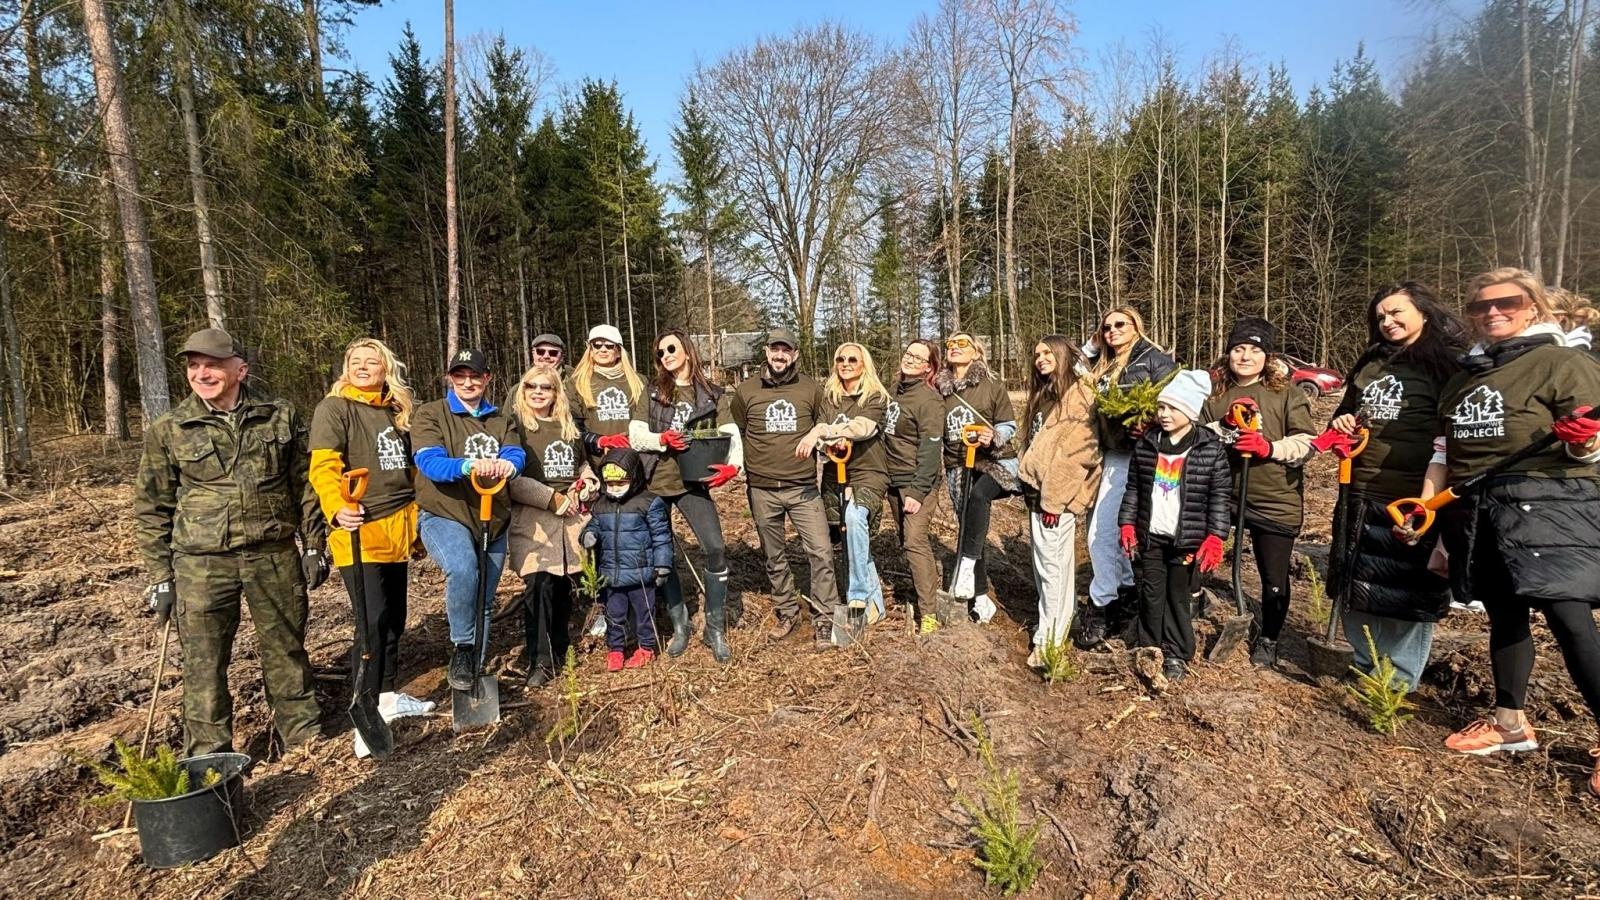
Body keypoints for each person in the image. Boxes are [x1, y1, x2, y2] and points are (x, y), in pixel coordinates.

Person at [1432, 269, 1600, 796]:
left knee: (1568, 616)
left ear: (1534, 306)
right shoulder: (1465, 376)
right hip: (1478, 506)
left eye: (1507, 302)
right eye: (1480, 305)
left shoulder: (1561, 362)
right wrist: (1432, 510)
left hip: (1550, 504)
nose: (1492, 312)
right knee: (1504, 613)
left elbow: (1590, 451)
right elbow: (1446, 452)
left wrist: (1580, 443)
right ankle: (1509, 723)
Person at [134, 328, 328, 757]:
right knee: (204, 663)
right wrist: (160, 577)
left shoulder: (279, 415)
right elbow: (152, 507)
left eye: (213, 365)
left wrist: (314, 544)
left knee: (286, 651)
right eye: (193, 365)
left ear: (240, 370)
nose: (202, 373)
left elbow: (306, 484)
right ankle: (209, 757)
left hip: (272, 554)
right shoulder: (169, 429)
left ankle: (304, 739)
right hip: (201, 565)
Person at [1320, 283, 1464, 689]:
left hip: (1415, 495)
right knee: (1355, 582)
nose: (1388, 322)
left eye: (1397, 312)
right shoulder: (1372, 363)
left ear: (1423, 313)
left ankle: (1397, 682)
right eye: (1380, 316)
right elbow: (1344, 414)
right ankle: (1365, 667)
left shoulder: (1447, 365)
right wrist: (1341, 423)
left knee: (1406, 591)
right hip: (1360, 489)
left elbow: (1456, 434)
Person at [309, 338, 435, 758]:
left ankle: (388, 695)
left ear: (386, 368)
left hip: (398, 526)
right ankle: (364, 708)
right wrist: (337, 508)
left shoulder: (395, 409)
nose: (364, 367)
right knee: (372, 620)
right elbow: (324, 467)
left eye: (372, 361)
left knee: (395, 615)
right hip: (360, 527)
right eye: (356, 362)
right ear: (346, 367)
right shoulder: (334, 408)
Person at [1201, 317, 1315, 669]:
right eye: (1238, 349)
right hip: (1224, 495)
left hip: (1274, 498)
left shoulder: (1287, 394)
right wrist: (1224, 427)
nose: (1245, 356)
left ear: (1267, 356)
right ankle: (1191, 612)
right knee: (1195, 555)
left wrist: (1268, 448)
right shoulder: (1216, 395)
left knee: (1274, 578)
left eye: (1254, 350)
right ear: (1228, 354)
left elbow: (1307, 443)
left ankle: (1269, 639)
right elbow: (1199, 438)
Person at [412, 348, 526, 692]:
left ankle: (472, 673)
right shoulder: (431, 413)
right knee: (464, 570)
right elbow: (429, 463)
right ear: (451, 379)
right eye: (460, 376)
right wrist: (469, 465)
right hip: (445, 512)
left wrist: (509, 464)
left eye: (475, 376)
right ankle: (463, 647)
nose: (468, 382)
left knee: (484, 598)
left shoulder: (500, 419)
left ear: (486, 379)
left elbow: (515, 452)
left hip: (494, 515)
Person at [631, 329, 743, 663]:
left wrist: (733, 466)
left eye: (671, 349)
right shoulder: (652, 392)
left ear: (687, 351)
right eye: (659, 353)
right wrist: (662, 439)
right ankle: (680, 625)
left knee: (716, 548)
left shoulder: (710, 393)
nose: (665, 356)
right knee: (661, 555)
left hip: (692, 481)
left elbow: (730, 432)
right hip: (656, 480)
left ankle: (714, 627)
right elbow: (636, 434)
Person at [728, 328, 841, 650]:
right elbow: (740, 429)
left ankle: (824, 617)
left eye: (786, 351)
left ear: (794, 355)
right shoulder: (746, 391)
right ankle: (787, 612)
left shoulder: (810, 389)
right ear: (766, 352)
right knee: (774, 556)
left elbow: (826, 424)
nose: (780, 356)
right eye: (774, 350)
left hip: (803, 488)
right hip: (762, 488)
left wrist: (816, 437)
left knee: (820, 552)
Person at [1117, 370, 1231, 682]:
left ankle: (1177, 651)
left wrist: (1215, 537)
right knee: (1151, 592)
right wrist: (1127, 524)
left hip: (1187, 540)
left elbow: (1220, 496)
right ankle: (1149, 646)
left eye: (1173, 409)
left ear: (1191, 412)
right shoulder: (1147, 445)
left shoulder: (1210, 448)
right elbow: (1133, 490)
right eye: (1161, 407)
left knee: (1177, 595)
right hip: (1151, 536)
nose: (1164, 414)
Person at [1080, 307, 1177, 647]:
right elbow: (1069, 368)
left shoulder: (1153, 359)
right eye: (1105, 327)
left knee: (1100, 534)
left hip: (1131, 456)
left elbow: (1176, 401)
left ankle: (1102, 604)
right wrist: (1092, 346)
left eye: (1120, 324)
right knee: (1109, 531)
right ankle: (1125, 594)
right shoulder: (1102, 362)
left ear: (1137, 326)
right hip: (1101, 454)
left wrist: (1151, 424)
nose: (1112, 331)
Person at [506, 366, 594, 687]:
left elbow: (582, 463)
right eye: (532, 386)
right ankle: (539, 661)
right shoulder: (516, 427)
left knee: (560, 586)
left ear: (557, 392)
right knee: (539, 584)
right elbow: (511, 479)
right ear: (523, 390)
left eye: (546, 387)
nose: (539, 392)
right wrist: (550, 498)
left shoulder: (567, 427)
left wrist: (587, 483)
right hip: (534, 516)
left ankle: (561, 648)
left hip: (571, 516)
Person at [1017, 336, 1103, 667]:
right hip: (1039, 492)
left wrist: (1053, 501)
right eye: (1036, 353)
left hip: (1055, 498)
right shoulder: (1047, 395)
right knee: (1051, 567)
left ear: (1064, 355)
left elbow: (1076, 454)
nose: (1040, 358)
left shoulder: (1079, 396)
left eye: (1047, 353)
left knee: (1052, 569)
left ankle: (1048, 642)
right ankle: (1061, 625)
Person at [801, 342, 890, 623]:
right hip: (834, 475)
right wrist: (825, 439)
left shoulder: (875, 396)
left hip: (868, 473)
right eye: (841, 358)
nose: (846, 363)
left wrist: (825, 431)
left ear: (864, 364)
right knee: (850, 535)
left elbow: (863, 428)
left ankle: (858, 596)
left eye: (853, 359)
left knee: (854, 519)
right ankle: (876, 606)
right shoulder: (830, 398)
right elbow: (822, 443)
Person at [568, 324, 647, 638]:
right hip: (599, 474)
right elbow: (570, 426)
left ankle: (642, 602)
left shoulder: (636, 381)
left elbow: (649, 419)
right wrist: (598, 440)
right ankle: (602, 605)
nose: (603, 350)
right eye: (596, 344)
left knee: (634, 538)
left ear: (619, 348)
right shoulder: (576, 383)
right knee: (600, 543)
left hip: (636, 472)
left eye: (609, 345)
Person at [937, 332, 1018, 623]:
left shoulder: (991, 384)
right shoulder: (939, 389)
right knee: (969, 525)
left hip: (994, 460)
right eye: (950, 345)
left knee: (979, 497)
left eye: (962, 344)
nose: (955, 348)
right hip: (958, 464)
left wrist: (992, 435)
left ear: (976, 352)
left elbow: (1009, 424)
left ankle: (967, 566)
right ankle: (981, 598)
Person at [581, 449, 674, 672]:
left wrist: (662, 566)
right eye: (610, 484)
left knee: (644, 613)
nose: (614, 488)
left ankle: (646, 648)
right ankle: (615, 649)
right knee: (614, 614)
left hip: (642, 573)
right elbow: (592, 527)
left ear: (634, 478)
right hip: (611, 574)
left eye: (620, 483)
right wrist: (587, 536)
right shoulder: (601, 505)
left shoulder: (649, 503)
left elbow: (662, 536)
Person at [882, 339, 946, 620]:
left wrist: (918, 491)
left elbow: (931, 448)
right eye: (908, 353)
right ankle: (922, 591)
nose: (910, 360)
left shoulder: (929, 400)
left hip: (916, 481)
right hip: (894, 479)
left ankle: (929, 614)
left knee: (914, 542)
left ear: (928, 368)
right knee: (905, 541)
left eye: (918, 358)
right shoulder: (895, 390)